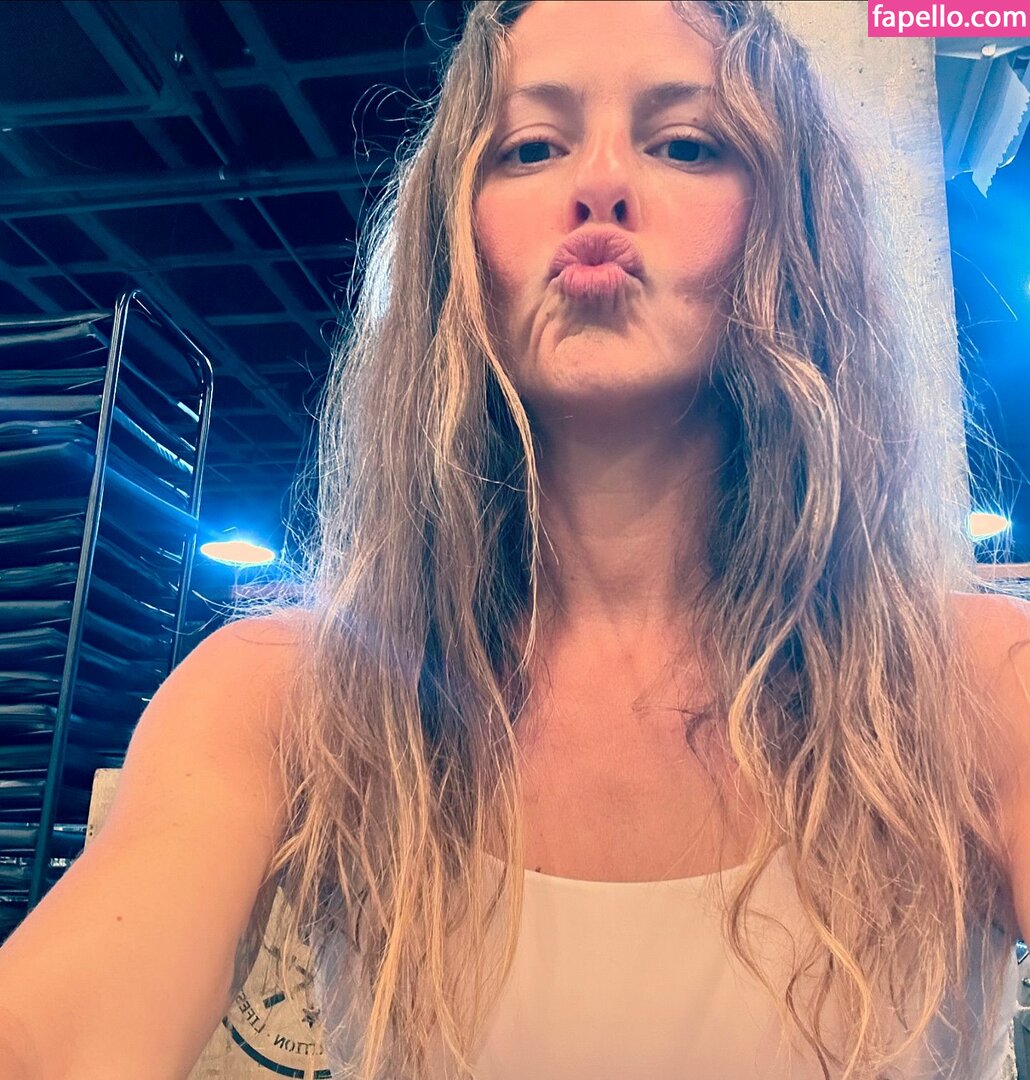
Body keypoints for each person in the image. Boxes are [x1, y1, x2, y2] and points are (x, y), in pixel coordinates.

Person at [1, 1, 1029, 1078]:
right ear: (456, 241)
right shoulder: (284, 697)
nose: (600, 183)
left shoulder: (976, 687)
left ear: (792, 229)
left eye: (685, 144)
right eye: (531, 147)